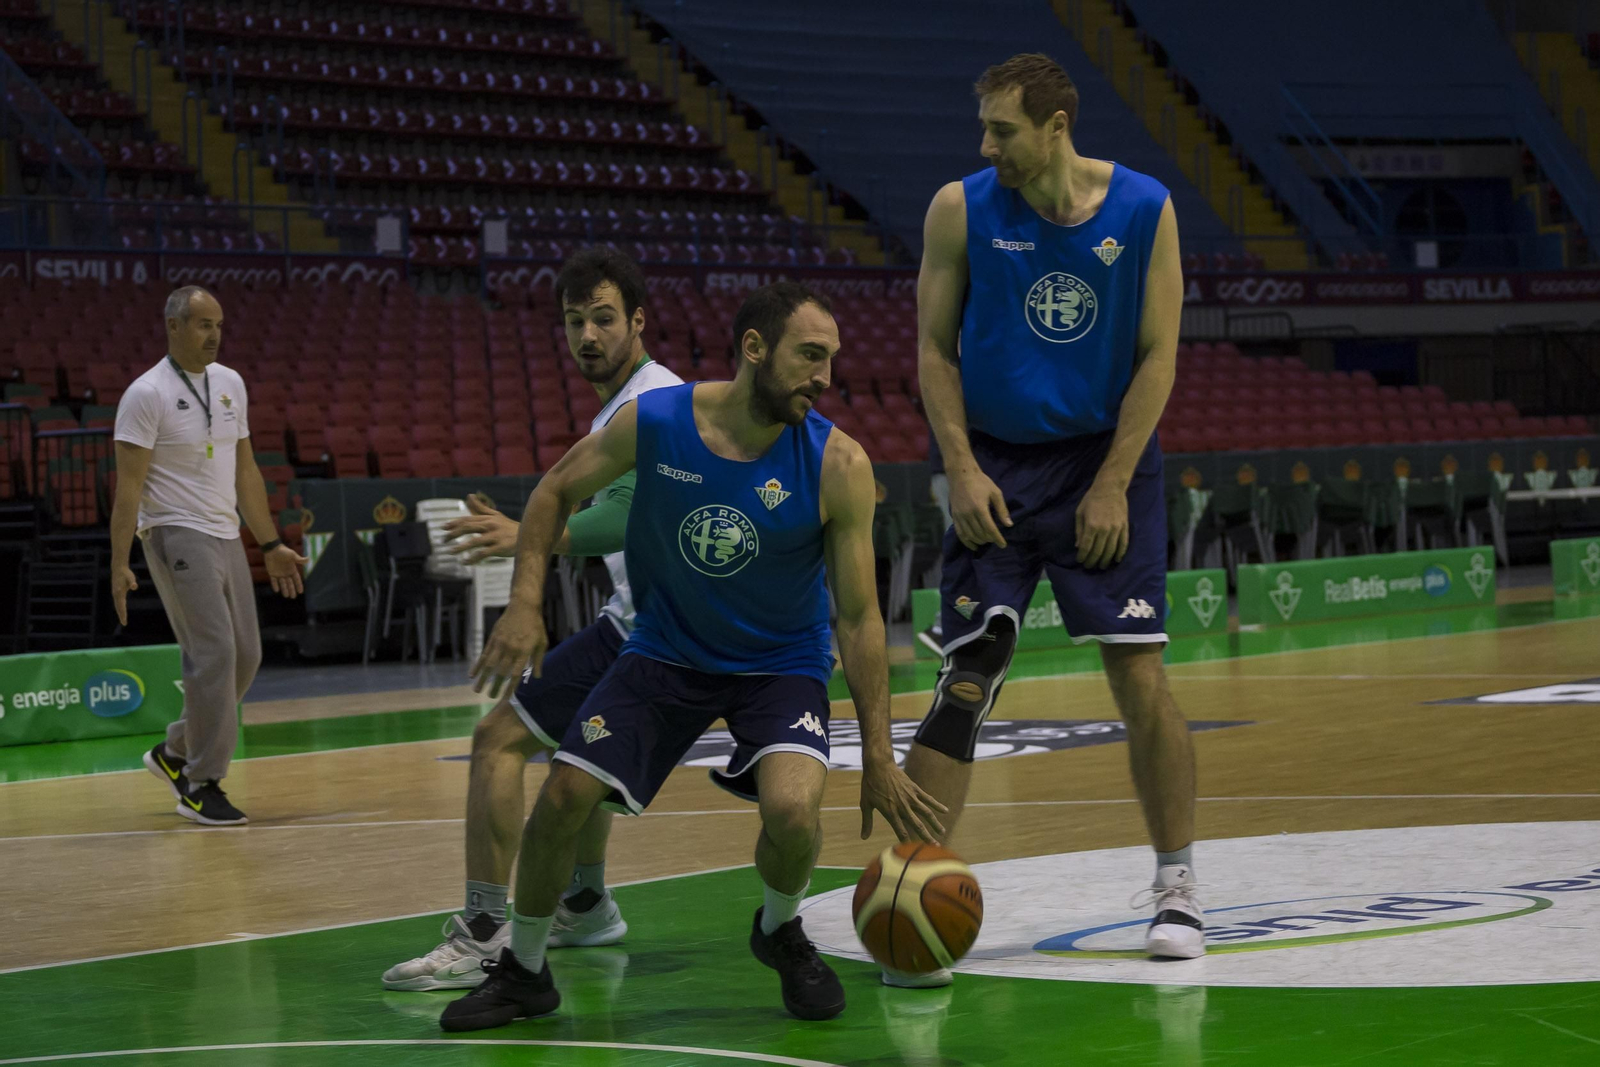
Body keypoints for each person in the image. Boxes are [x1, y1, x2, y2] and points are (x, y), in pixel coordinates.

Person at [440, 282, 945, 1031]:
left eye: (831, 359)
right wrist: (523, 603)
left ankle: (779, 929)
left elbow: (862, 616)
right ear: (753, 349)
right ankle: (524, 969)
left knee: (794, 811)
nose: (825, 376)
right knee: (562, 798)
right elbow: (551, 492)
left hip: (781, 663)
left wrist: (878, 749)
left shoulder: (838, 462)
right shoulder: (658, 422)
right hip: (666, 651)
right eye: (810, 355)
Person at [906, 52, 1201, 976]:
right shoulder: (960, 208)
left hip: (1102, 462)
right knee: (966, 678)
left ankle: (1178, 883)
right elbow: (932, 347)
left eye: (1003, 129)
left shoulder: (1146, 207)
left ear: (1057, 124)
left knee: (1139, 676)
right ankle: (911, 889)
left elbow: (1158, 355)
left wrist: (1113, 480)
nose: (985, 144)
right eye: (984, 126)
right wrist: (958, 466)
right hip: (993, 463)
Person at [383, 248, 683, 990]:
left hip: (660, 630)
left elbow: (628, 514)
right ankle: (584, 900)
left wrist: (531, 533)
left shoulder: (656, 400)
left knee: (498, 740)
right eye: (575, 321)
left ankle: (485, 931)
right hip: (641, 620)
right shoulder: (626, 402)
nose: (588, 334)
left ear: (638, 321)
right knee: (580, 752)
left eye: (603, 318)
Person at [111, 285, 307, 827]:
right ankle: (201, 784)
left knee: (246, 655)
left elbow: (246, 472)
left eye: (218, 324)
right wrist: (119, 562)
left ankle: (176, 750)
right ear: (174, 326)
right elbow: (128, 489)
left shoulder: (230, 384)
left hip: (225, 533)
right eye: (202, 324)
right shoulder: (145, 394)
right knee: (215, 652)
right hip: (174, 532)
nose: (214, 334)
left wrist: (268, 544)